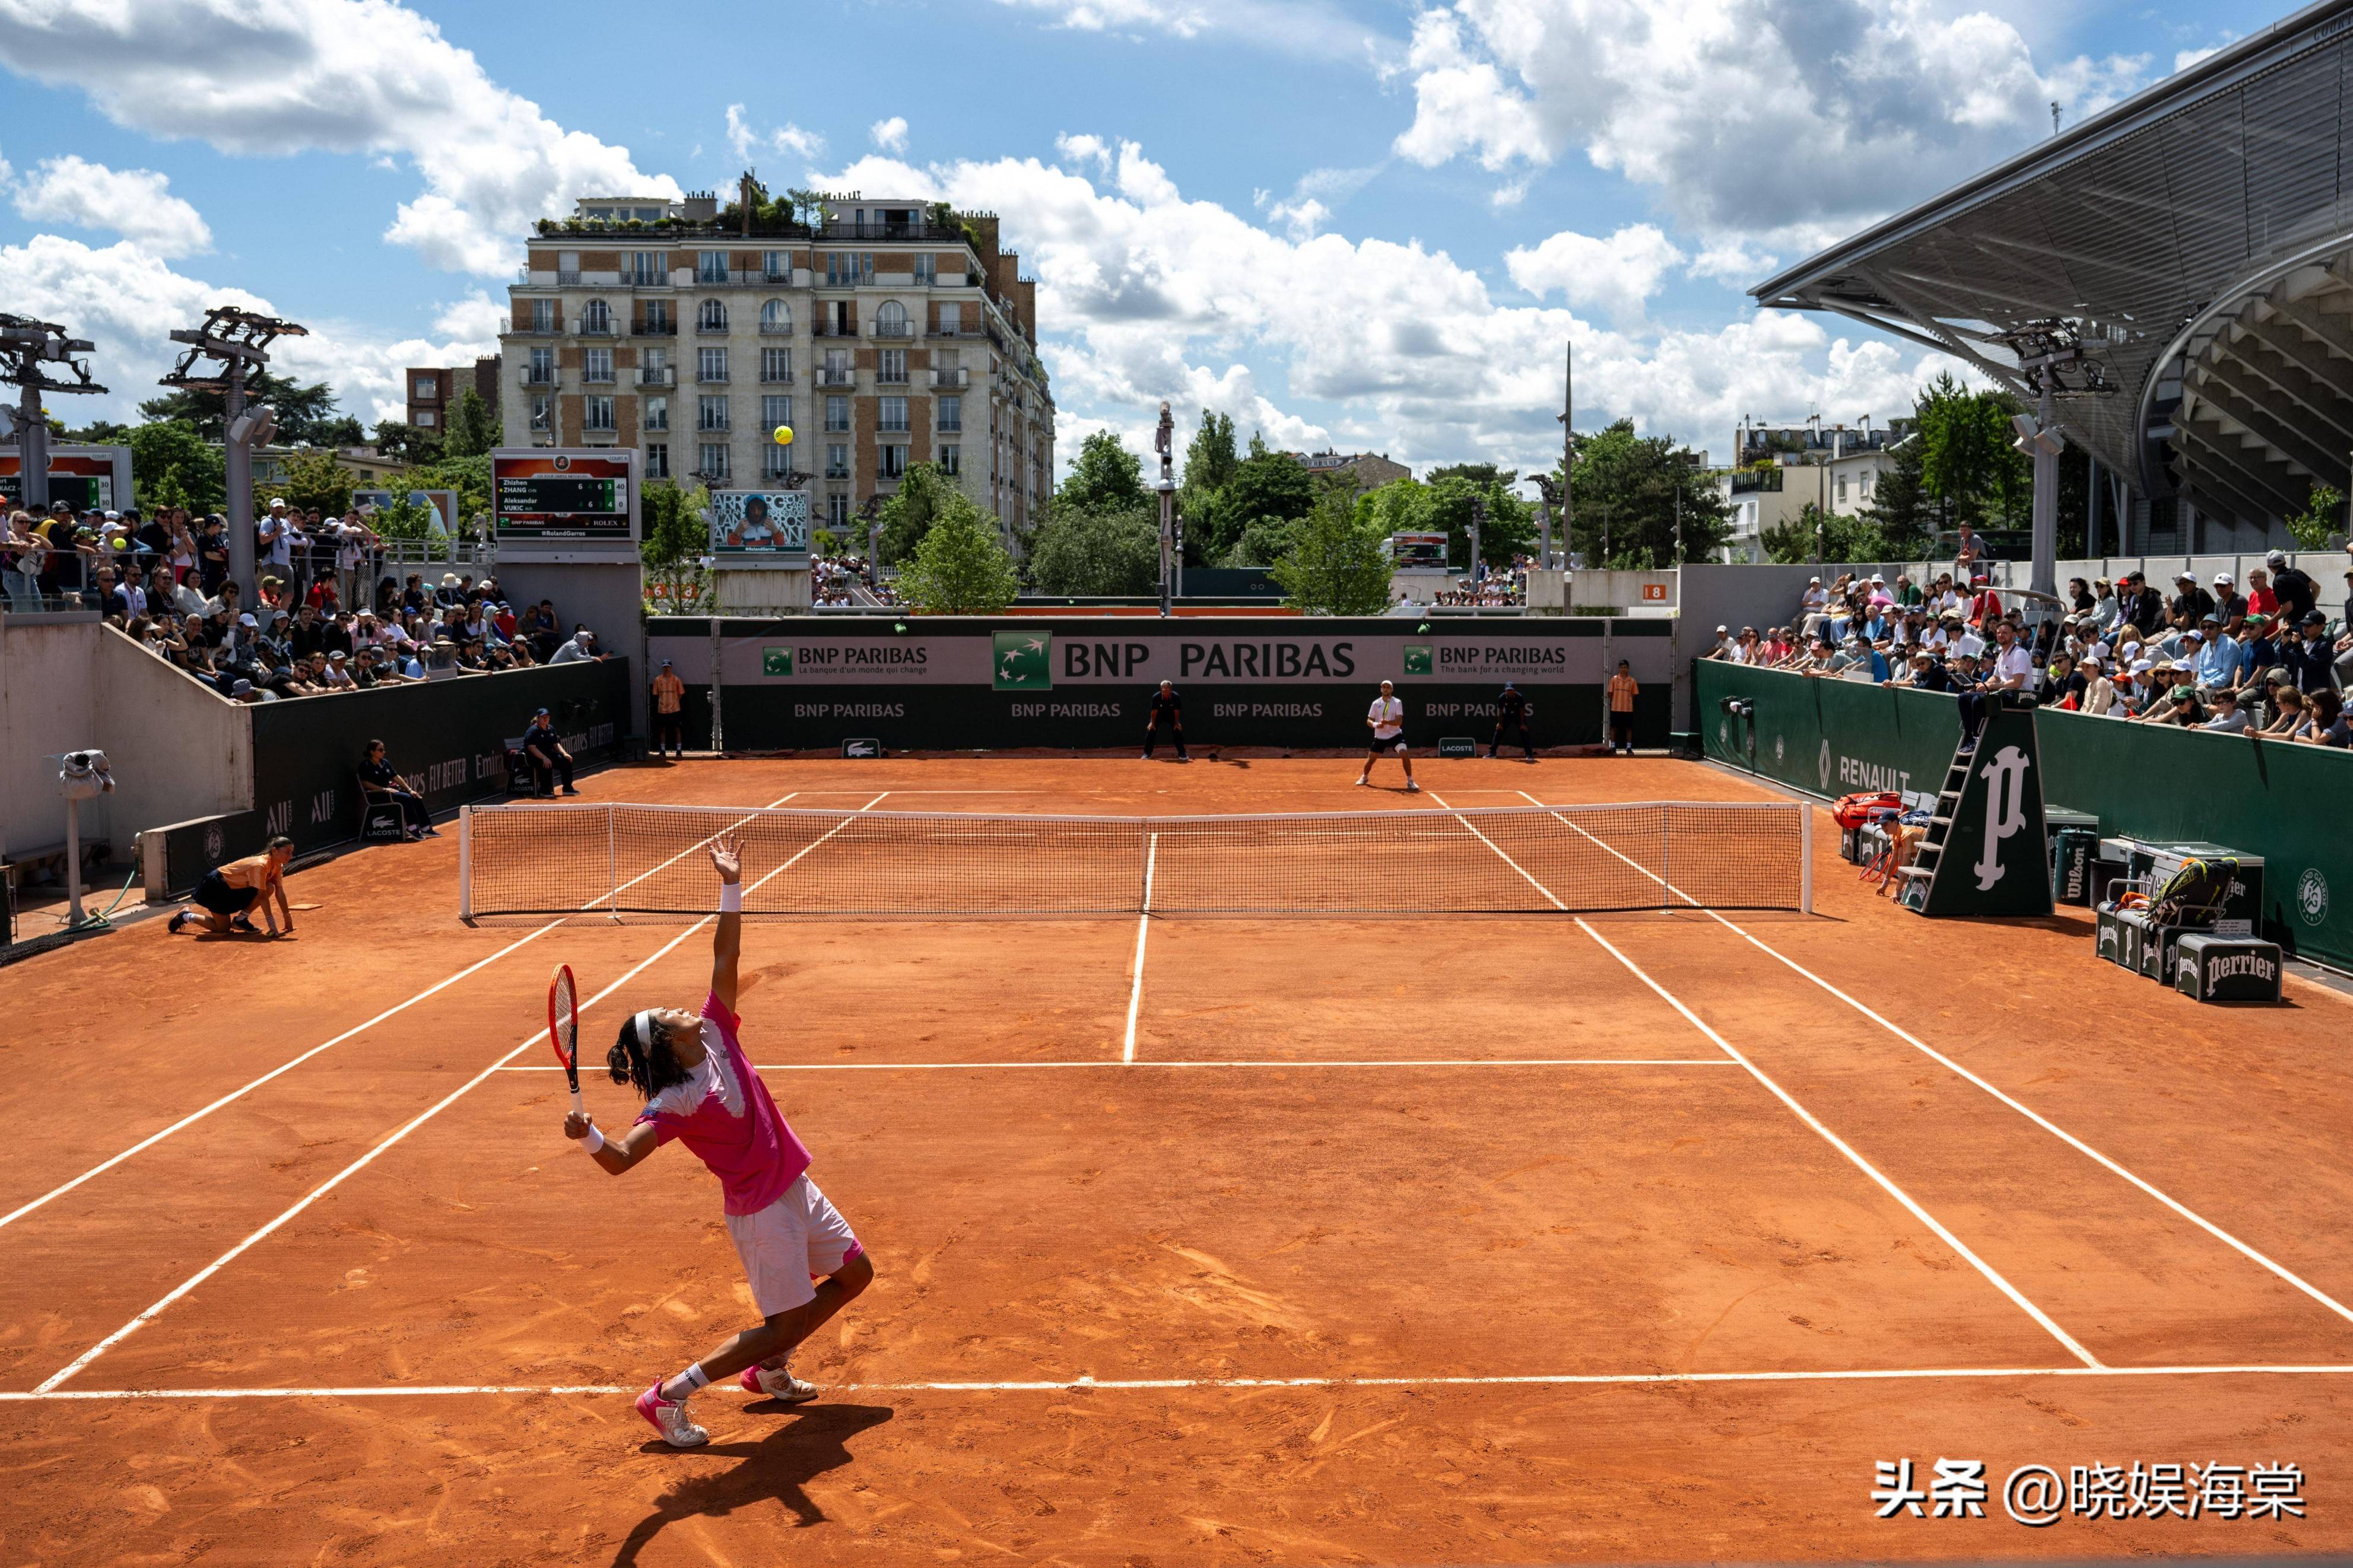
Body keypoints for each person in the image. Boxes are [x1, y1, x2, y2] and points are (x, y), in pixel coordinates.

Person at [565, 835, 873, 1449]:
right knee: (780, 1320)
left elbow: (723, 957)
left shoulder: (714, 1033)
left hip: (794, 1186)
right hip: (761, 1213)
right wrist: (589, 1135)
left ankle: (768, 1369)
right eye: (668, 1012)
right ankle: (668, 1395)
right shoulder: (673, 1103)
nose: (682, 1007)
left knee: (856, 1274)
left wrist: (730, 885)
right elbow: (622, 1161)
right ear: (663, 1042)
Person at [169, 836, 297, 937]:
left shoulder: (278, 866)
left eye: (291, 853)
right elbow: (262, 897)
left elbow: (279, 892)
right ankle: (185, 915)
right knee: (222, 929)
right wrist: (272, 925)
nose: (290, 856)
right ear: (274, 851)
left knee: (269, 887)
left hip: (236, 889)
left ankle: (241, 920)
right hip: (216, 887)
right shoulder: (260, 865)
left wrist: (288, 918)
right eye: (287, 852)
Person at [359, 739, 433, 838]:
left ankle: (426, 828)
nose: (383, 752)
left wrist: (410, 790)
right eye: (380, 750)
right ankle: (412, 828)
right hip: (376, 795)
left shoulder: (385, 762)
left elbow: (396, 777)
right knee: (406, 798)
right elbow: (365, 783)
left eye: (384, 749)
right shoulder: (365, 765)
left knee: (415, 796)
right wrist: (383, 789)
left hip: (389, 793)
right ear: (372, 752)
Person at [1355, 678, 1417, 791]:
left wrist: (1388, 722)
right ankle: (1364, 777)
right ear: (1381, 689)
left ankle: (1410, 781)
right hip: (1380, 737)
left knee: (1404, 753)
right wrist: (1376, 725)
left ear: (1392, 690)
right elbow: (1369, 721)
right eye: (1384, 687)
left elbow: (1399, 722)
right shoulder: (1375, 703)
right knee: (1370, 760)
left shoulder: (1397, 702)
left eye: (1388, 687)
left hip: (1396, 735)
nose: (1386, 689)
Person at [524, 707, 577, 796]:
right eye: (543, 717)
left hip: (548, 755)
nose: (546, 719)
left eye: (547, 717)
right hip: (533, 756)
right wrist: (544, 758)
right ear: (538, 718)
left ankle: (567, 788)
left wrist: (565, 754)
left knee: (566, 761)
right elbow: (531, 748)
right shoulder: (533, 730)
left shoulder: (551, 729)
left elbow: (556, 745)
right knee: (546, 763)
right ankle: (544, 790)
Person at [1141, 679, 1189, 761]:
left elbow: (1176, 711)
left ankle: (1182, 754)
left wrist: (1176, 723)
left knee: (1177, 731)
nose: (1164, 689)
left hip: (1171, 716)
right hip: (1159, 716)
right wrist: (1152, 723)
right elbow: (1154, 711)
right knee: (1151, 731)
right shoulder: (1156, 697)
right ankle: (1147, 754)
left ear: (1170, 689)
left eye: (1167, 687)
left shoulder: (1176, 697)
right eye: (1163, 687)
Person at [1488, 680, 1533, 761]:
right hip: (1507, 716)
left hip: (1518, 717)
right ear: (1505, 690)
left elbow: (1522, 710)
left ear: (1514, 690)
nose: (1510, 692)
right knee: (1499, 732)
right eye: (1508, 690)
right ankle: (1492, 753)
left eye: (1511, 690)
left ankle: (1529, 755)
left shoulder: (1519, 697)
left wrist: (1523, 723)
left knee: (1524, 733)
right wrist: (1500, 723)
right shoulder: (1502, 697)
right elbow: (1500, 711)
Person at [651, 660, 687, 761]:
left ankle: (679, 751)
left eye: (668, 667)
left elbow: (680, 694)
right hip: (662, 710)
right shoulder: (658, 680)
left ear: (671, 668)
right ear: (662, 668)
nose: (666, 669)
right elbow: (656, 694)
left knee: (677, 729)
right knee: (662, 730)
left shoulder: (676, 680)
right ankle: (663, 751)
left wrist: (674, 703)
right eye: (664, 667)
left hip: (675, 709)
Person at [1606, 661, 1638, 755]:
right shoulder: (1614, 679)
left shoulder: (1632, 681)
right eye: (1621, 667)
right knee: (1614, 728)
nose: (1623, 669)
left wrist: (1628, 701)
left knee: (1629, 729)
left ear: (1628, 668)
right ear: (1619, 668)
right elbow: (1609, 693)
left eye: (1625, 667)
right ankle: (1613, 748)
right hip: (1616, 709)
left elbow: (1634, 694)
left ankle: (1628, 748)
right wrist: (1616, 701)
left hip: (1628, 709)